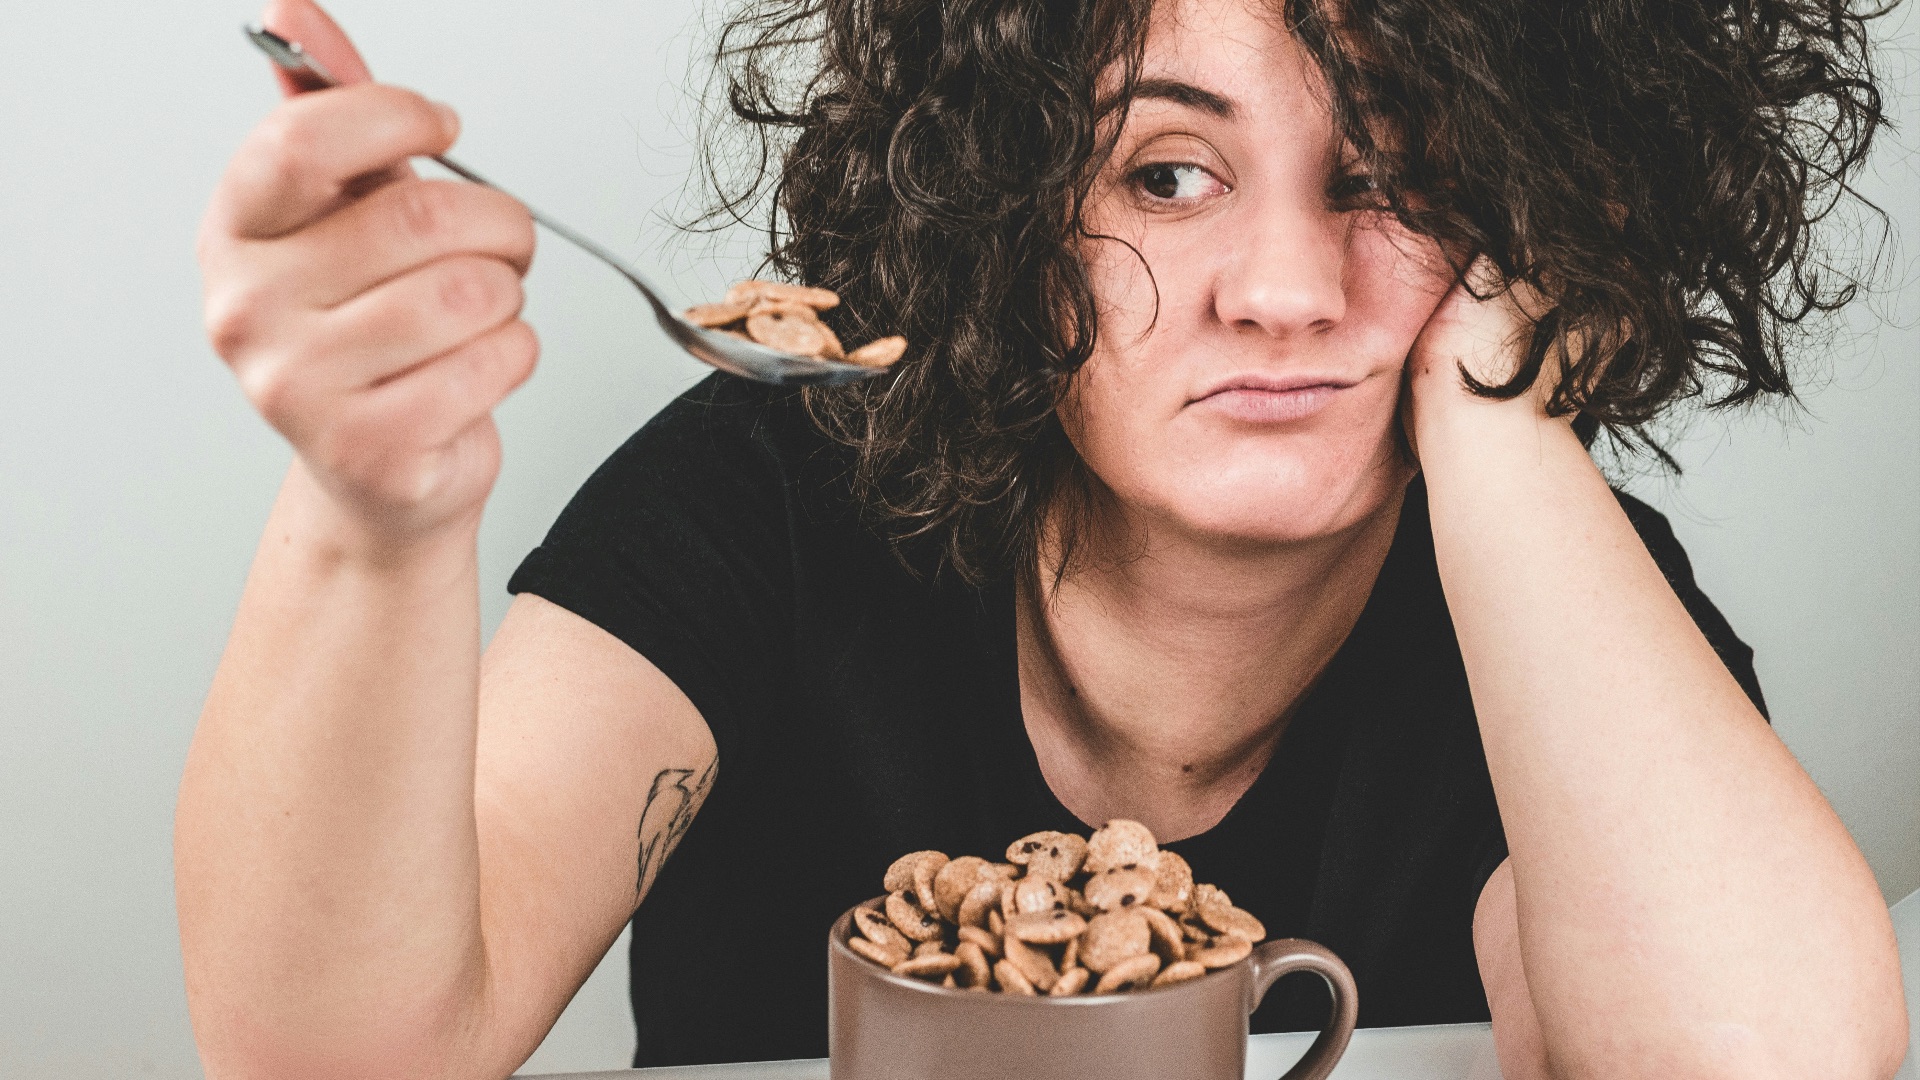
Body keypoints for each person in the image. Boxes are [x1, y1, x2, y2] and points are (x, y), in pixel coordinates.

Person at [176, 0, 1909, 1075]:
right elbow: (341, 1060)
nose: (1289, 293)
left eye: (1392, 174)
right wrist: (368, 516)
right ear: (1005, 207)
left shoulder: (1559, 608)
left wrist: (1506, 400)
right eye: (1165, 173)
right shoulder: (764, 497)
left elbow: (1753, 1062)